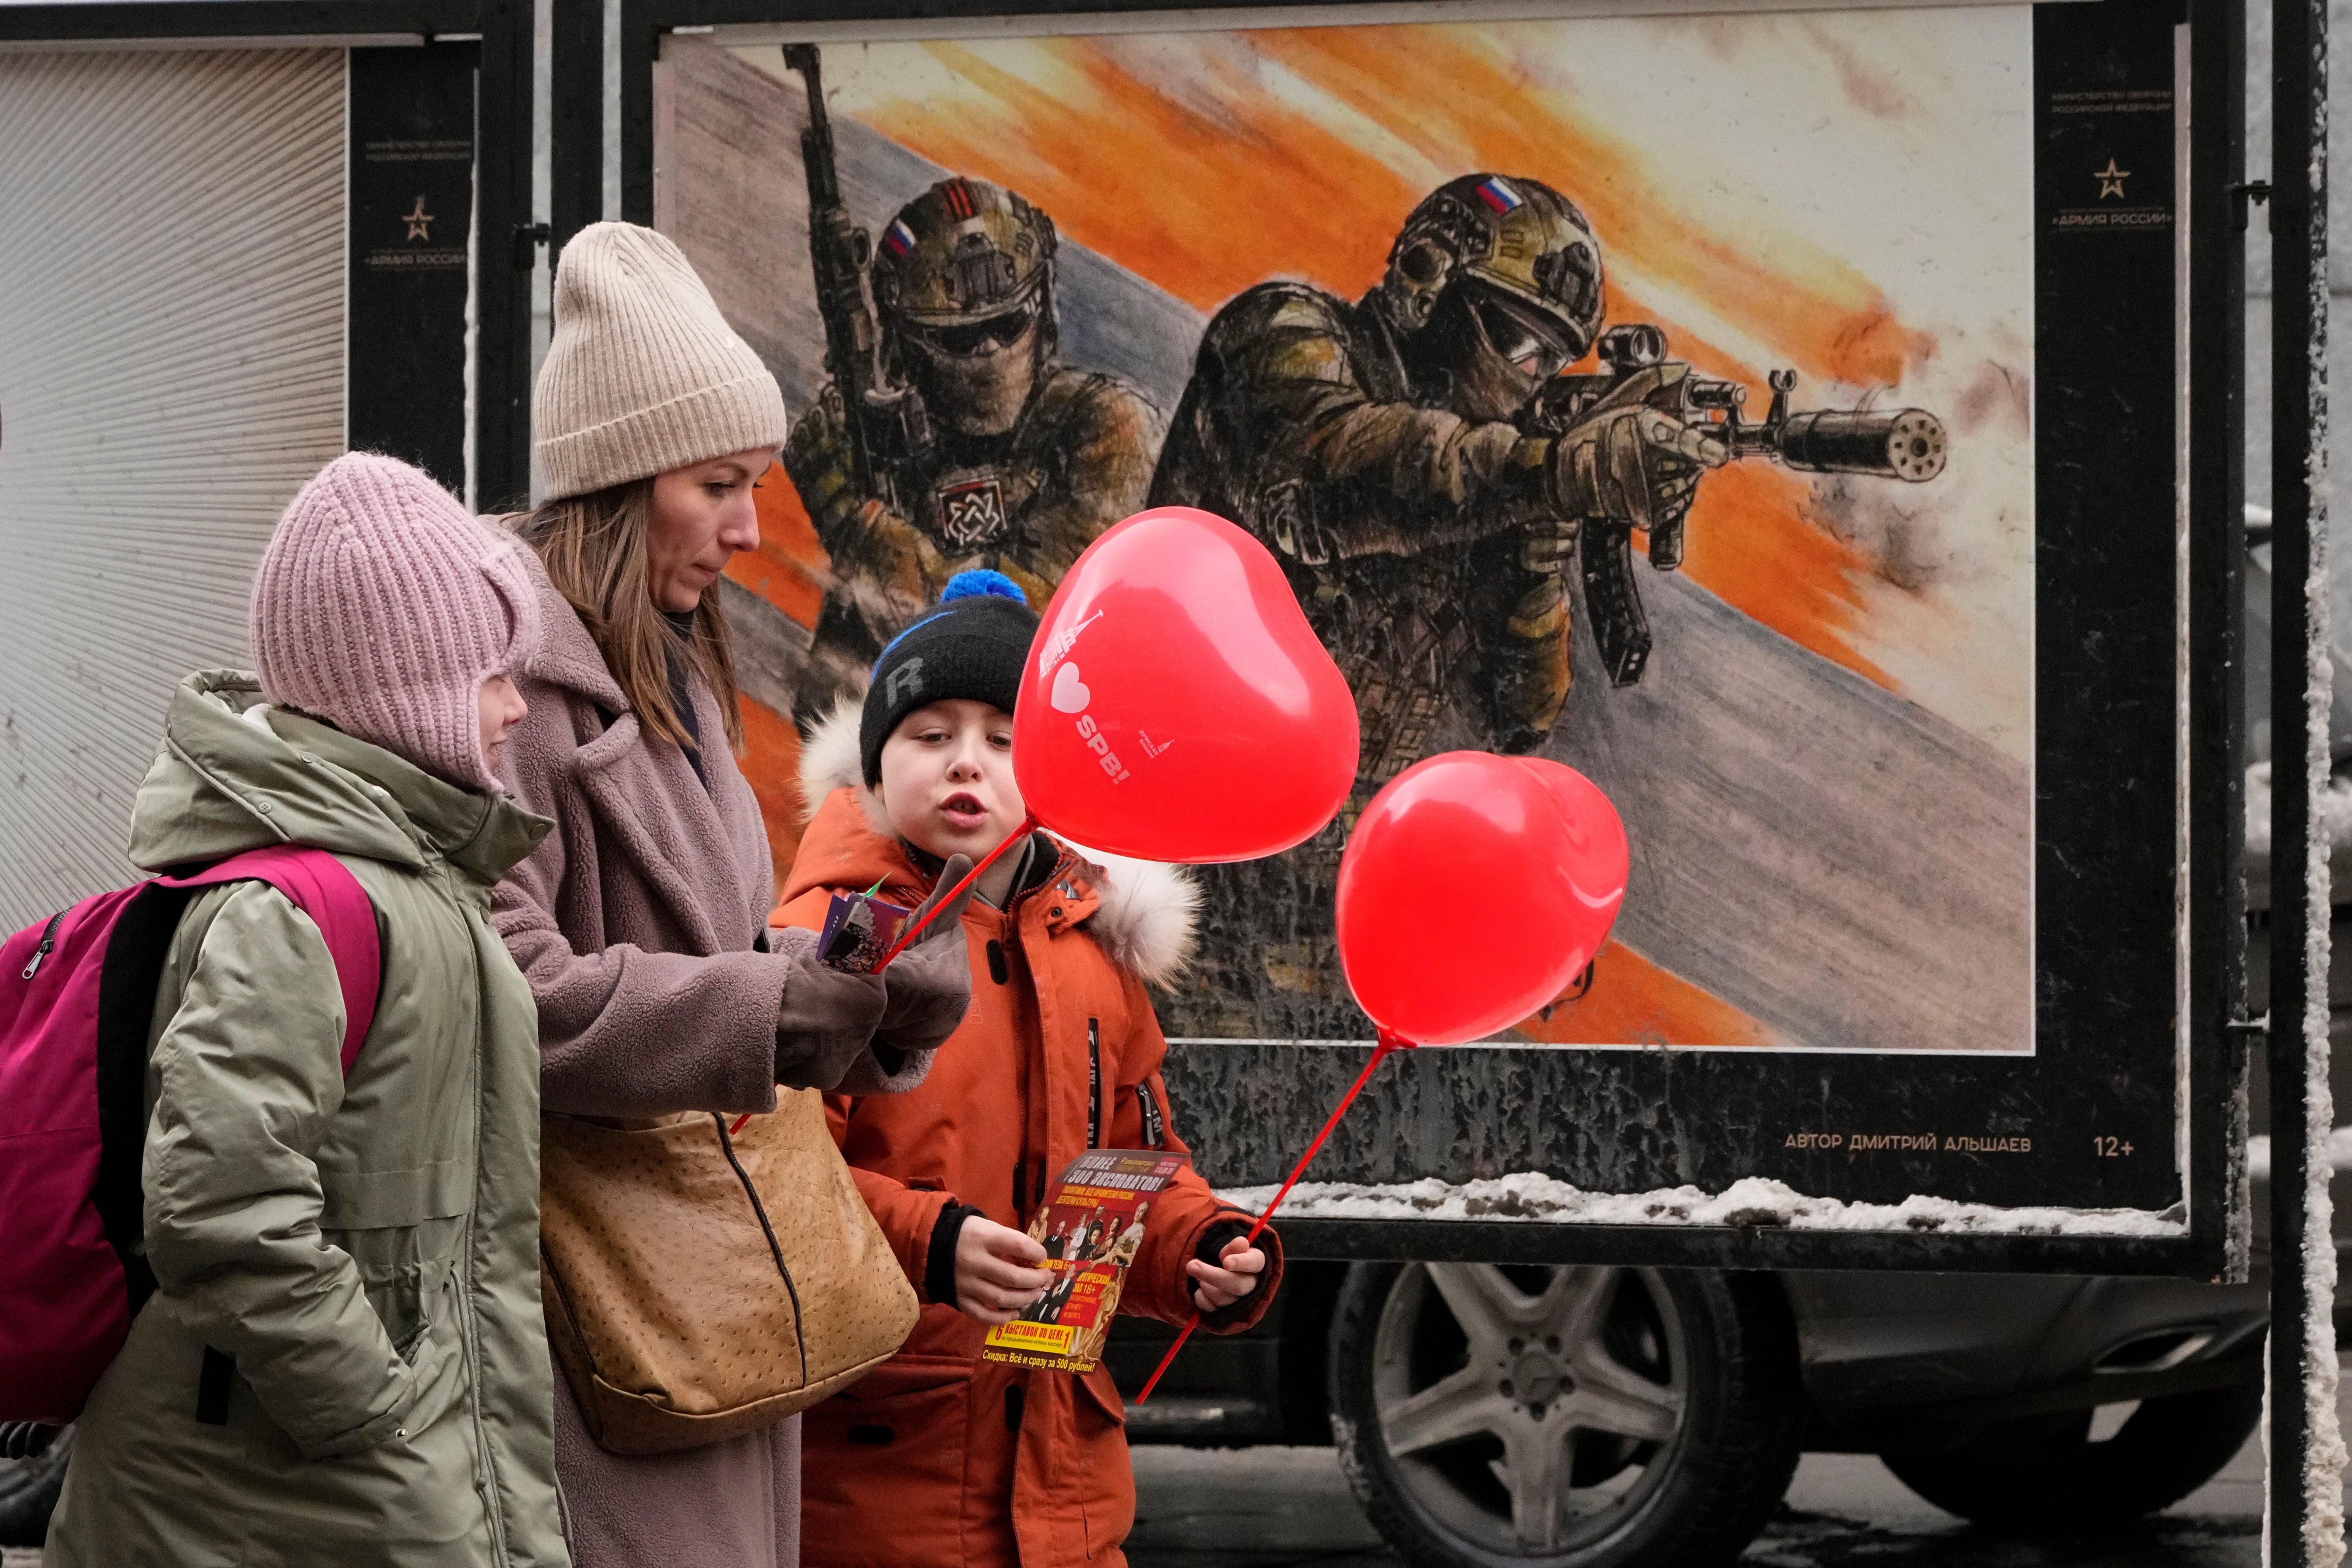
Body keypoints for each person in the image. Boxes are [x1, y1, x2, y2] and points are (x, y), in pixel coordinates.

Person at [492, 221, 973, 1568]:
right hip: (599, 1307)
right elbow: (496, 993)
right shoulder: (509, 696)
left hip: (707, 1292)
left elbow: (692, 953)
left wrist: (854, 986)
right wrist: (762, 1011)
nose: (756, 528)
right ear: (617, 481)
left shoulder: (679, 678)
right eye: (719, 484)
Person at [46, 453, 567, 1567]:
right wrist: (371, 1408)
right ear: (403, 683)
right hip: (278, 1495)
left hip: (342, 1483)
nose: (519, 706)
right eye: (493, 674)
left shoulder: (422, 884)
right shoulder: (304, 907)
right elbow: (220, 1202)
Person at [773, 576, 1283, 1568]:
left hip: (1067, 1503)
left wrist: (1197, 1250)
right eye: (930, 734)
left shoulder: (1094, 955)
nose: (968, 761)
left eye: (1005, 739)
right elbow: (772, 1185)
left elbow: (1124, 1176)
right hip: (878, 1496)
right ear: (877, 763)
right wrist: (934, 1244)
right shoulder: (832, 942)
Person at [1147, 172, 1726, 1036]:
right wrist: (1547, 472)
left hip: (1346, 941)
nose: (1530, 384)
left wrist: (1535, 552)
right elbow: (1324, 477)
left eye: (1552, 362)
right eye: (1517, 344)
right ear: (1430, 280)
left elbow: (1511, 719)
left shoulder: (1493, 477)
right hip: (1181, 902)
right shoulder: (1283, 334)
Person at [783, 175, 1166, 728]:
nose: (990, 351)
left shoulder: (1110, 428)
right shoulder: (898, 451)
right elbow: (829, 705)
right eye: (962, 337)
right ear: (907, 342)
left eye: (1009, 324)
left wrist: (863, 530)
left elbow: (1035, 633)